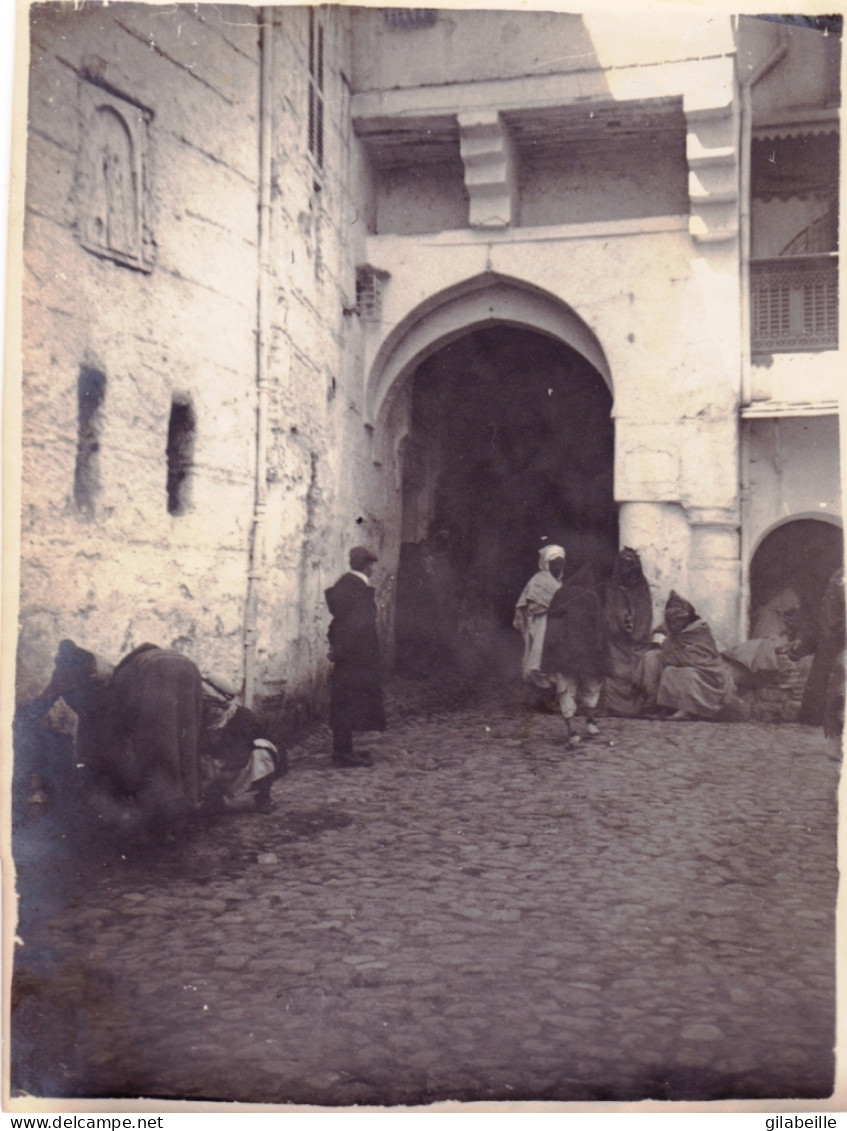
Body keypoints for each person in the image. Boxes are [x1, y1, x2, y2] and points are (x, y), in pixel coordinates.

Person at [325, 546, 386, 767]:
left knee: (346, 702)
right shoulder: (357, 590)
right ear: (368, 566)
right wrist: (341, 649)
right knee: (347, 704)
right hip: (355, 657)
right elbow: (353, 626)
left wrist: (336, 647)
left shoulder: (347, 586)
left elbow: (338, 623)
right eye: (372, 565)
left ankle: (345, 749)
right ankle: (341, 753)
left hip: (350, 655)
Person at [541, 563, 611, 745]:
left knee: (565, 689)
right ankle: (590, 721)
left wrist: (551, 652)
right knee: (591, 686)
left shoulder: (559, 595)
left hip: (564, 653)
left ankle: (572, 731)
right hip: (587, 653)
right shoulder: (591, 597)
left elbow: (552, 626)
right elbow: (600, 629)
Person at [637, 591, 730, 720]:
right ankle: (653, 699)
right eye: (672, 622)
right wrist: (658, 642)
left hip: (706, 672)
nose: (674, 624)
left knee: (679, 673)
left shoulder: (699, 632)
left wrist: (669, 657)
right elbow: (660, 634)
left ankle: (685, 710)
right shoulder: (673, 628)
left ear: (687, 619)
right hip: (679, 662)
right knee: (651, 657)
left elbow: (696, 658)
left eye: (678, 621)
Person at [603, 547, 653, 716]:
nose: (626, 569)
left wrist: (637, 631)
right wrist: (617, 624)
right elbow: (609, 611)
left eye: (630, 564)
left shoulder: (642, 587)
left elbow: (646, 613)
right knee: (615, 671)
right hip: (616, 640)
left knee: (637, 672)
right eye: (623, 565)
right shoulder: (612, 587)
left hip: (636, 641)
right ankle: (614, 706)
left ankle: (636, 708)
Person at [513, 544, 566, 690]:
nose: (558, 567)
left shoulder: (560, 583)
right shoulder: (539, 581)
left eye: (561, 563)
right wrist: (552, 606)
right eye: (554, 563)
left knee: (555, 660)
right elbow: (532, 606)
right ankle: (540, 695)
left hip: (556, 627)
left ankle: (554, 695)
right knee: (539, 660)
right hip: (541, 625)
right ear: (547, 564)